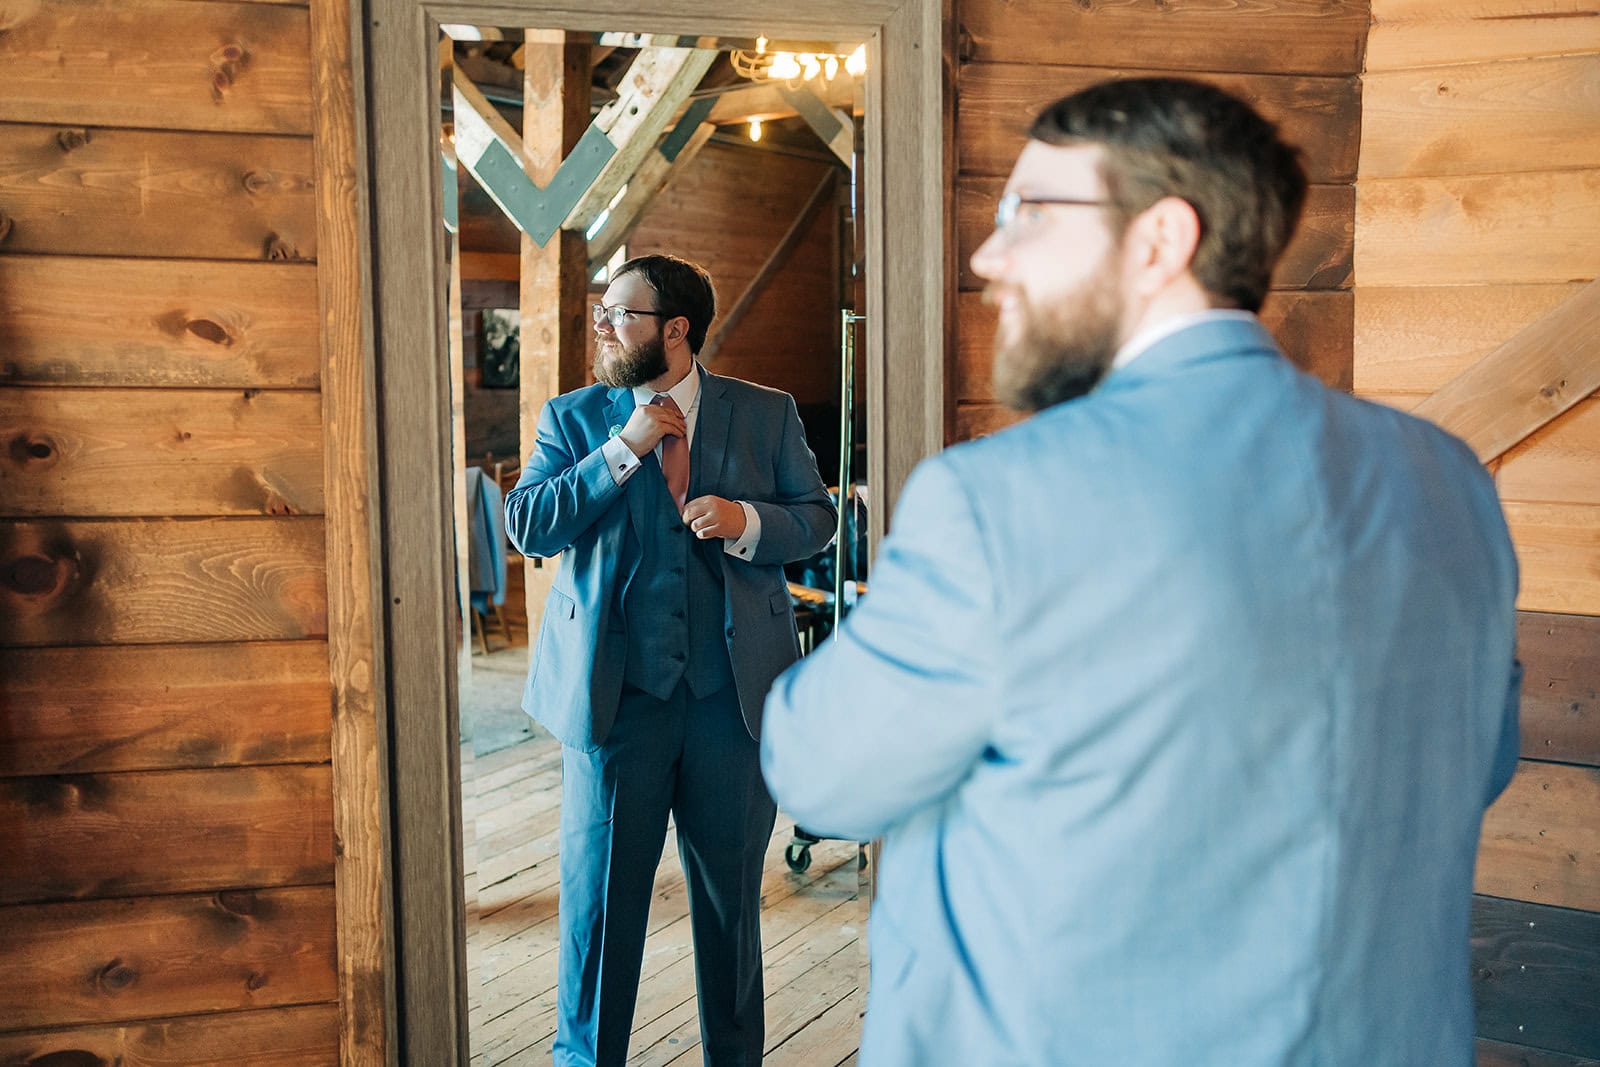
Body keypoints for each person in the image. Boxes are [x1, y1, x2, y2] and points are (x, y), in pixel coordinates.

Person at [760, 78, 1521, 1065]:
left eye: (1028, 212)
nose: (989, 256)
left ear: (1160, 239)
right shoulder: (1448, 479)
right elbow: (1480, 755)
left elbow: (824, 772)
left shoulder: (997, 500)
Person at [505, 254, 835, 1066]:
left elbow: (817, 519)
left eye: (620, 313)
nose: (605, 326)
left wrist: (746, 521)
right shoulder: (576, 417)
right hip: (617, 702)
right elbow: (530, 524)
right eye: (604, 313)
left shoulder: (766, 414)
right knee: (600, 908)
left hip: (732, 703)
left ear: (675, 329)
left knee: (730, 908)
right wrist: (624, 447)